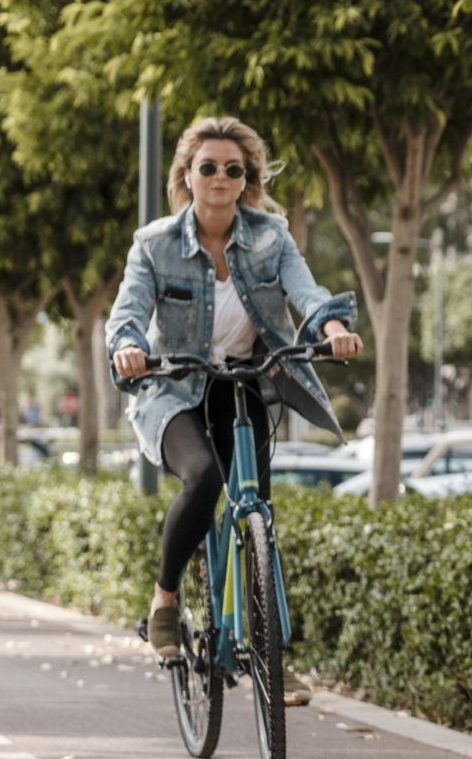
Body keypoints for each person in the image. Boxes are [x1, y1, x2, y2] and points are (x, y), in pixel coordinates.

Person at [106, 117, 363, 700]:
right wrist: (127, 347)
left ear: (246, 179)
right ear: (187, 177)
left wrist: (335, 325)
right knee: (204, 476)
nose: (221, 177)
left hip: (244, 384)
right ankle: (166, 599)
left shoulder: (272, 234)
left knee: (258, 514)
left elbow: (307, 292)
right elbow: (127, 312)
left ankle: (271, 654)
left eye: (234, 169)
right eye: (208, 168)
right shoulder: (155, 243)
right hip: (174, 384)